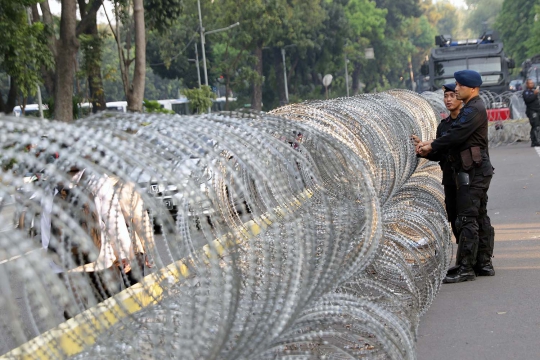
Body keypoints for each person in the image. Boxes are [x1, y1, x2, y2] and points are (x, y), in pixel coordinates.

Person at [417, 70, 495, 283]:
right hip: (463, 172)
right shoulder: (466, 111)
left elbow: (457, 134)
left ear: (472, 88)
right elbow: (447, 146)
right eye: (449, 91)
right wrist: (427, 149)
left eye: (459, 87)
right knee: (474, 216)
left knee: (469, 218)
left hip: (474, 172)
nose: (455, 90)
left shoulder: (473, 109)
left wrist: (431, 144)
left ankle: (468, 267)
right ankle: (478, 263)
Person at [412, 83, 462, 240]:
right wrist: (423, 151)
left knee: (469, 218)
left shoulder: (466, 123)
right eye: (446, 96)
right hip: (449, 177)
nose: (448, 99)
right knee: (453, 216)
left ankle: (476, 259)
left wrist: (431, 145)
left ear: (460, 98)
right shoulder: (443, 126)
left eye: (452, 96)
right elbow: (439, 153)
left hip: (466, 175)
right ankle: (464, 256)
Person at [522, 79, 540, 147]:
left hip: (538, 110)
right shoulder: (526, 92)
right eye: (530, 83)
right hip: (532, 111)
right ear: (527, 85)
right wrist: (534, 94)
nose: (532, 84)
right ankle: (537, 141)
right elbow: (528, 100)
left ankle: (534, 141)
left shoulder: (534, 91)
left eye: (532, 83)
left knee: (536, 126)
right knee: (536, 126)